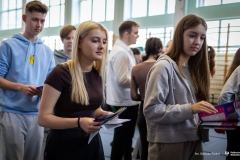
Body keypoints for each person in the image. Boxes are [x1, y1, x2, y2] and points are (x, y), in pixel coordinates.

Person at [143, 14, 218, 160]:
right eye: (192, 35)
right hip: (169, 142)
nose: (197, 42)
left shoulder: (193, 68)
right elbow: (152, 110)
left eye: (202, 37)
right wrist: (191, 108)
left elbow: (195, 108)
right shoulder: (163, 67)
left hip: (193, 137)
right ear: (179, 36)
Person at [38, 21, 111, 160]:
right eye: (95, 41)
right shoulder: (61, 73)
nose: (101, 46)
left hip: (92, 141)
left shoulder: (97, 73)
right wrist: (78, 122)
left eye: (104, 41)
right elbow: (43, 118)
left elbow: (92, 108)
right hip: (64, 144)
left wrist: (104, 114)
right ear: (79, 43)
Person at [0, 1, 55, 160]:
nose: (39, 24)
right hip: (12, 113)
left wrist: (45, 90)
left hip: (37, 114)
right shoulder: (8, 46)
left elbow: (50, 83)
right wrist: (20, 87)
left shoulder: (47, 51)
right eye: (35, 19)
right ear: (25, 18)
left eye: (42, 21)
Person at [106, 20, 140, 160]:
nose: (138, 36)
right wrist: (140, 84)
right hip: (123, 103)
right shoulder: (121, 53)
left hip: (125, 101)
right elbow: (121, 80)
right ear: (126, 34)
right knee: (121, 139)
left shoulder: (125, 51)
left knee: (126, 138)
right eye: (136, 33)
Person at [131, 37, 163, 160]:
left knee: (144, 148)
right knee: (159, 150)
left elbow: (133, 96)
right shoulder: (163, 66)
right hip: (159, 111)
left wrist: (144, 97)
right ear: (160, 49)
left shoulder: (136, 68)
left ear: (145, 49)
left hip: (143, 112)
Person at [218, 48, 240, 160]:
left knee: (234, 153)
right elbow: (225, 96)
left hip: (236, 122)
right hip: (236, 122)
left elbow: (224, 96)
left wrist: (227, 119)